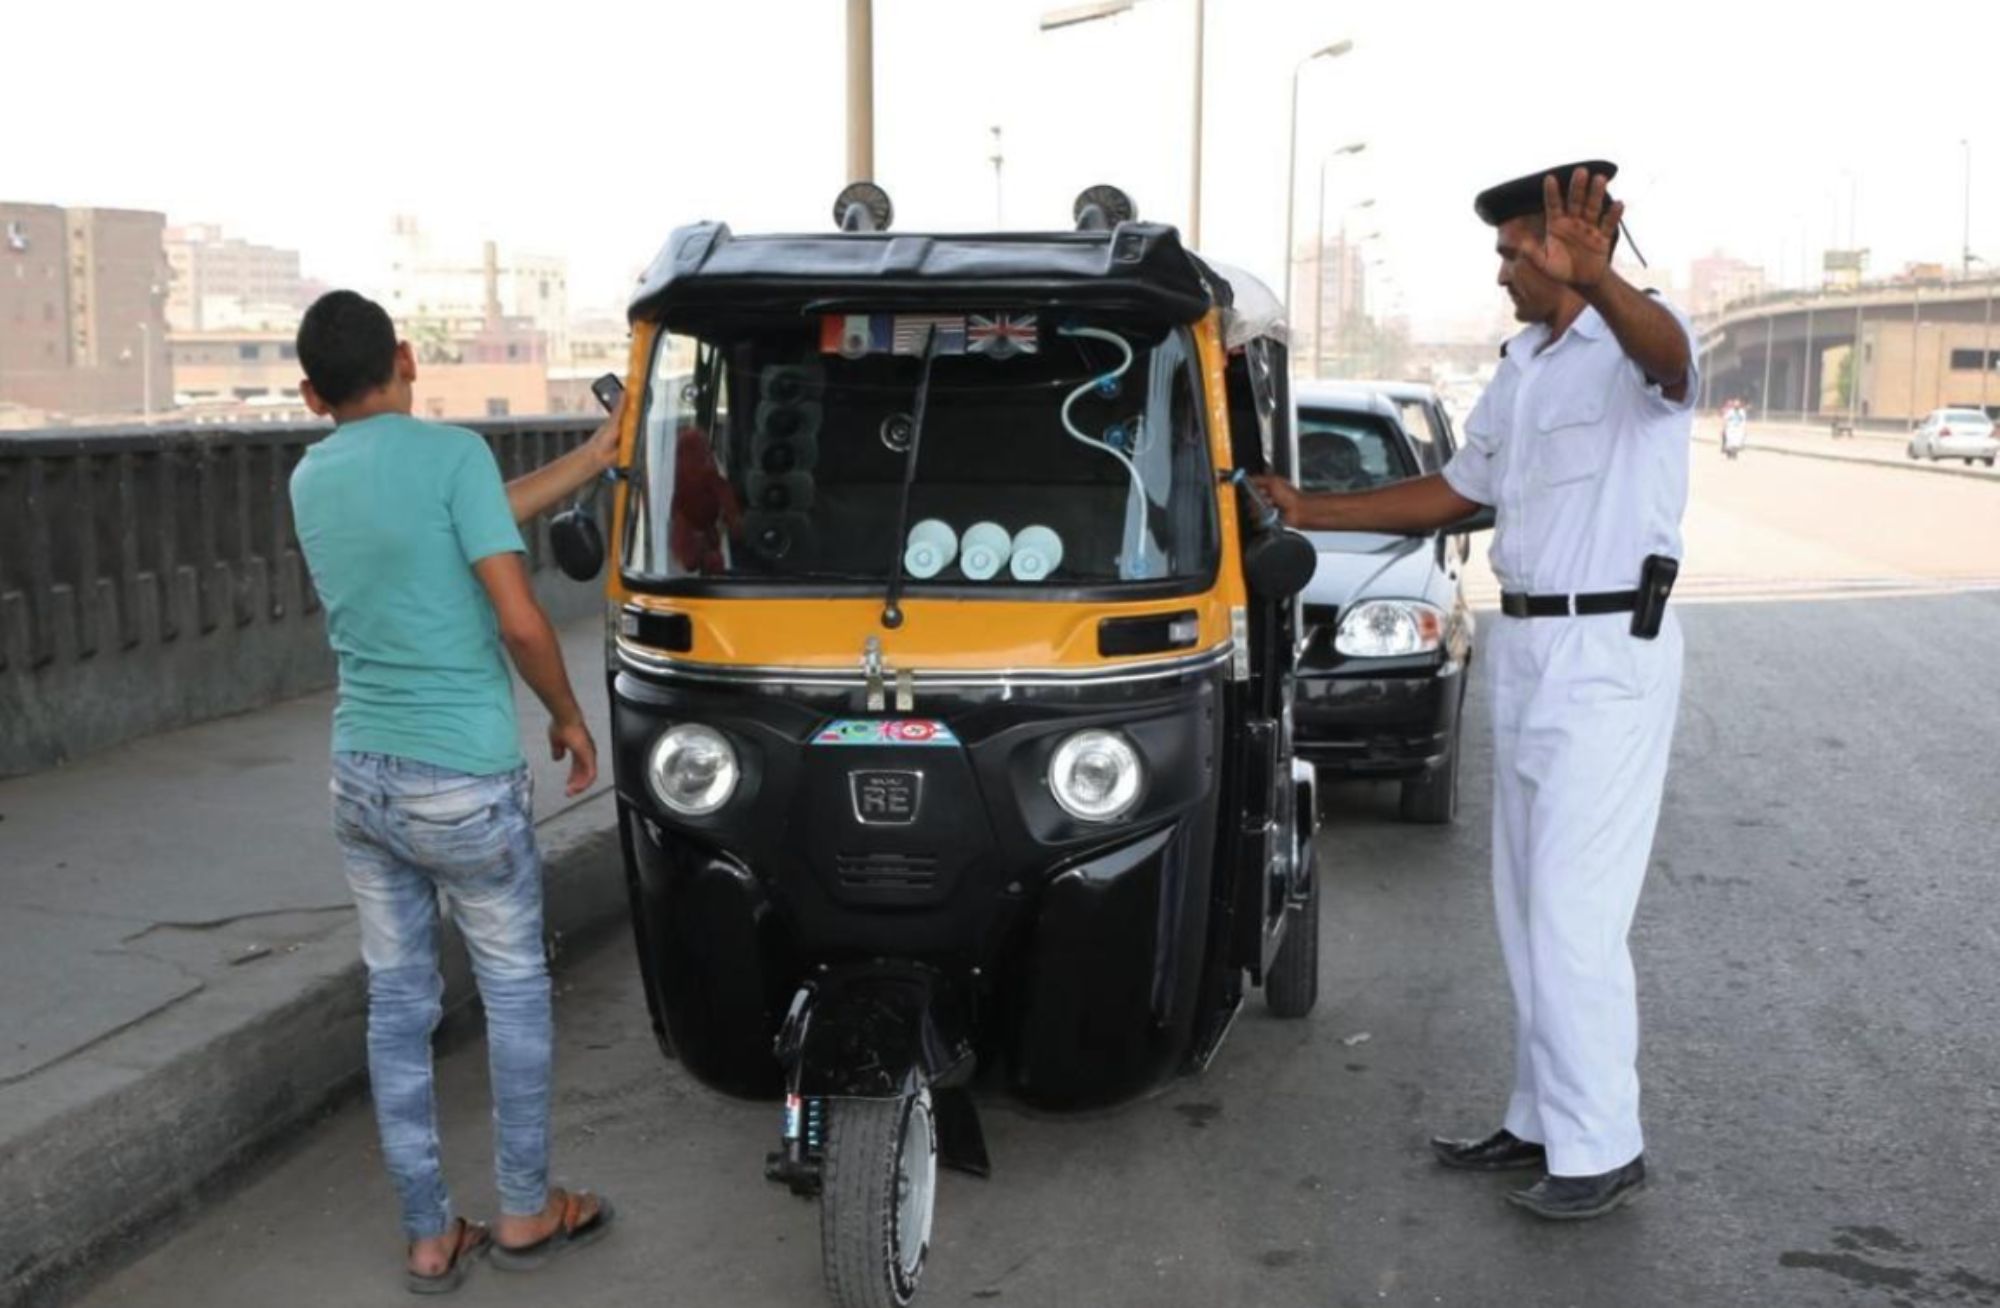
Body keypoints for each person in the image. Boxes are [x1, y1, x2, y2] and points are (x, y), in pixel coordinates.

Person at [1255, 162, 1694, 1221]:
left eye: (1514, 252)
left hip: (1609, 649)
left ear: (1566, 248)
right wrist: (1310, 508)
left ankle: (1602, 1148)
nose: (1501, 273)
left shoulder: (1635, 342)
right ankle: (1543, 1120)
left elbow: (1672, 363)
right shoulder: (1523, 368)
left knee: (1575, 915)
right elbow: (1458, 491)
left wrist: (1600, 282)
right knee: (1527, 909)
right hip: (1532, 645)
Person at [289, 290, 623, 1291]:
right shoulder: (453, 458)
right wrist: (567, 714)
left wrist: (593, 456)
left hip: (362, 778)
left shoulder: (310, 476)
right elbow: (519, 619)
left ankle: (430, 1236)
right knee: (514, 991)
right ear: (407, 358)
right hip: (463, 781)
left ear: (310, 396)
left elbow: (457, 513)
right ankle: (523, 1212)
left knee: (397, 1007)